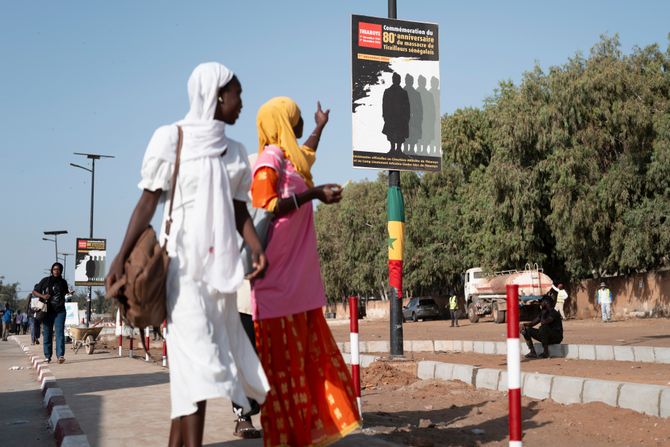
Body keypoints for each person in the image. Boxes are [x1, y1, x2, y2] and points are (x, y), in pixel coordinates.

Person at [105, 62, 270, 447]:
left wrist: (255, 245)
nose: (242, 102)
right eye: (237, 94)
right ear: (215, 96)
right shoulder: (171, 139)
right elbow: (147, 203)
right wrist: (119, 257)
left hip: (220, 276)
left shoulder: (235, 151)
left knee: (188, 376)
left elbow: (240, 209)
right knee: (197, 367)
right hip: (180, 275)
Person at [251, 96, 361, 446]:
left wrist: (319, 125)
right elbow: (264, 206)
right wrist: (313, 193)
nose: (299, 127)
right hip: (275, 291)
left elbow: (307, 152)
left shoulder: (290, 160)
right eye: (296, 120)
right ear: (284, 122)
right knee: (283, 378)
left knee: (305, 372)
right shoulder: (268, 162)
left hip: (300, 290)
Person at [32, 262, 70, 363]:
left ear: (61, 271)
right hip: (47, 311)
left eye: (58, 269)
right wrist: (43, 296)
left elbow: (64, 292)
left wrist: (69, 293)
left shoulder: (63, 282)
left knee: (59, 333)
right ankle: (47, 356)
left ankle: (60, 355)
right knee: (47, 333)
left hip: (60, 311)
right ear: (51, 270)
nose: (56, 271)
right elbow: (34, 291)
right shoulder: (45, 281)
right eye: (54, 269)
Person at [382, 72, 410, 155]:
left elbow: (407, 106)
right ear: (393, 80)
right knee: (391, 134)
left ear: (400, 80)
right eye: (395, 79)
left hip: (401, 118)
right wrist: (385, 115)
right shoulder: (387, 91)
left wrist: (406, 117)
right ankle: (392, 148)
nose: (396, 80)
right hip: (391, 117)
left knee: (400, 134)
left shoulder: (403, 93)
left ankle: (399, 149)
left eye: (397, 79)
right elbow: (384, 105)